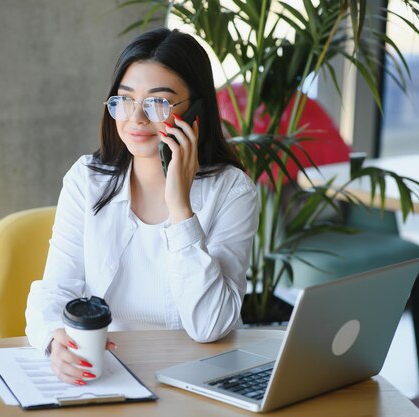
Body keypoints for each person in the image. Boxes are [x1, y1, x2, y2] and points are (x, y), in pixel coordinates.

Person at [25, 28, 260, 385]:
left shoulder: (231, 192)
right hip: (108, 370)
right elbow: (56, 290)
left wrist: (180, 208)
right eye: (125, 99)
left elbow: (211, 326)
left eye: (157, 102)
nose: (136, 119)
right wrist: (54, 338)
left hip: (198, 378)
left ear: (196, 110)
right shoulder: (87, 181)